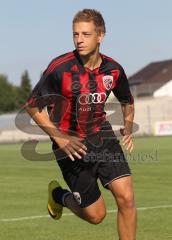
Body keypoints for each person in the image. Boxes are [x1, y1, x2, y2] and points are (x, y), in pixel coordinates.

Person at [26, 9, 137, 240]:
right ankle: (60, 196)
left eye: (86, 34)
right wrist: (60, 138)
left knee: (126, 197)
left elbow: (127, 100)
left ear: (101, 36)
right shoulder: (60, 68)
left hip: (102, 136)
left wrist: (128, 125)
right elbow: (32, 106)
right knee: (97, 216)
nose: (79, 40)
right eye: (75, 34)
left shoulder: (113, 69)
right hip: (70, 144)